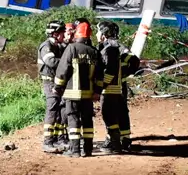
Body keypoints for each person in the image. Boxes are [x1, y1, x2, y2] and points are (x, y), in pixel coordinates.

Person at [53, 21, 103, 158]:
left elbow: (63, 69)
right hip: (88, 95)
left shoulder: (72, 49)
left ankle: (74, 151)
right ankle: (88, 150)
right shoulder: (95, 52)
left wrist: (58, 86)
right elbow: (100, 74)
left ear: (77, 34)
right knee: (87, 121)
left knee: (73, 120)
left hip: (72, 94)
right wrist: (97, 91)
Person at [38, 20, 70, 154]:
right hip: (50, 83)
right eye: (62, 33)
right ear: (55, 34)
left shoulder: (59, 46)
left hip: (58, 82)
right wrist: (66, 63)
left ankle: (58, 138)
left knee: (60, 111)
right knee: (52, 111)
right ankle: (48, 142)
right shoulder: (46, 46)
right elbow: (51, 61)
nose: (64, 35)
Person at [96, 21, 125, 154]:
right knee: (110, 117)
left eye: (98, 31)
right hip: (114, 88)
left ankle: (115, 145)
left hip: (109, 90)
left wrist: (101, 85)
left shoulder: (109, 49)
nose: (96, 34)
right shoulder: (110, 47)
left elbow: (110, 70)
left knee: (109, 117)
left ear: (104, 34)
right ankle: (114, 143)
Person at [118, 42, 141, 152]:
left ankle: (123, 139)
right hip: (116, 85)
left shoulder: (116, 46)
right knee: (120, 112)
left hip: (117, 86)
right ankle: (123, 139)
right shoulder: (106, 45)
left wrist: (126, 72)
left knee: (117, 112)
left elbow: (134, 60)